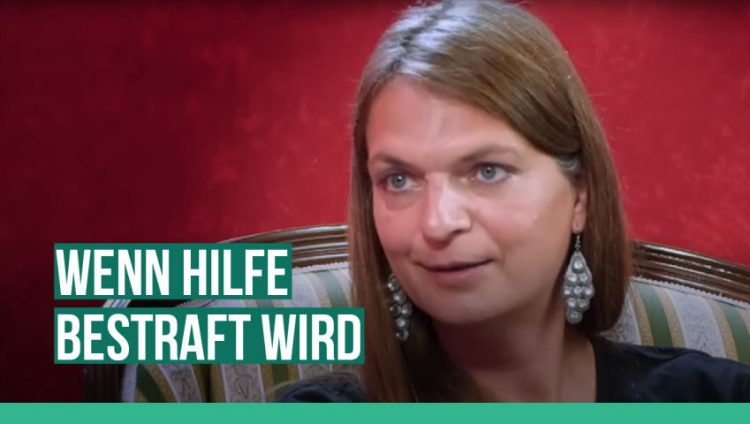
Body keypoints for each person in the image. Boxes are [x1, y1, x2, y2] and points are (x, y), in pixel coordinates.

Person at [281, 0, 750, 402]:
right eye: (399, 180)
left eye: (488, 171)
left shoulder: (717, 396)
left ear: (580, 195)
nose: (438, 223)